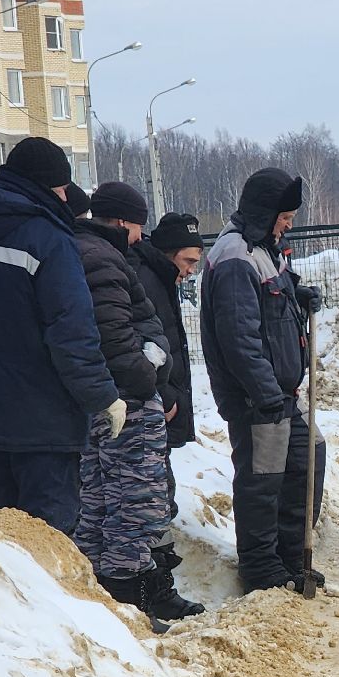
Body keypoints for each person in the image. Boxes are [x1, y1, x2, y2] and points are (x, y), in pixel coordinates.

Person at [0, 137, 122, 536]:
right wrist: (102, 396)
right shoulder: (48, 237)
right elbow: (71, 332)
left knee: (6, 537)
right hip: (42, 421)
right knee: (48, 538)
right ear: (50, 186)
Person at [71, 181, 199, 620]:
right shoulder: (105, 259)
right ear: (124, 221)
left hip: (105, 398)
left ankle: (104, 597)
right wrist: (149, 381)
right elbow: (118, 334)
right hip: (125, 401)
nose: (139, 237)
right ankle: (128, 599)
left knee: (101, 501)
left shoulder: (89, 253)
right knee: (136, 505)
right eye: (137, 227)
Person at [200, 167, 327, 594]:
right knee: (263, 482)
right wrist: (266, 393)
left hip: (280, 394)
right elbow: (239, 338)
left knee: (307, 461)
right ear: (265, 211)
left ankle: (291, 557)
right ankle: (260, 569)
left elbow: (270, 294)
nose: (289, 223)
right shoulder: (235, 255)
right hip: (258, 398)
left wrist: (296, 291)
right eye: (285, 216)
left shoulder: (264, 249)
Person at [132, 211, 206, 611]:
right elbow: (146, 346)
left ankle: (159, 589)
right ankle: (155, 593)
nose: (191, 271)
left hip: (160, 404)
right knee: (153, 502)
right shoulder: (147, 279)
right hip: (153, 408)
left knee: (160, 497)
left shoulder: (159, 277)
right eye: (189, 261)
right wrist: (166, 395)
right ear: (168, 252)